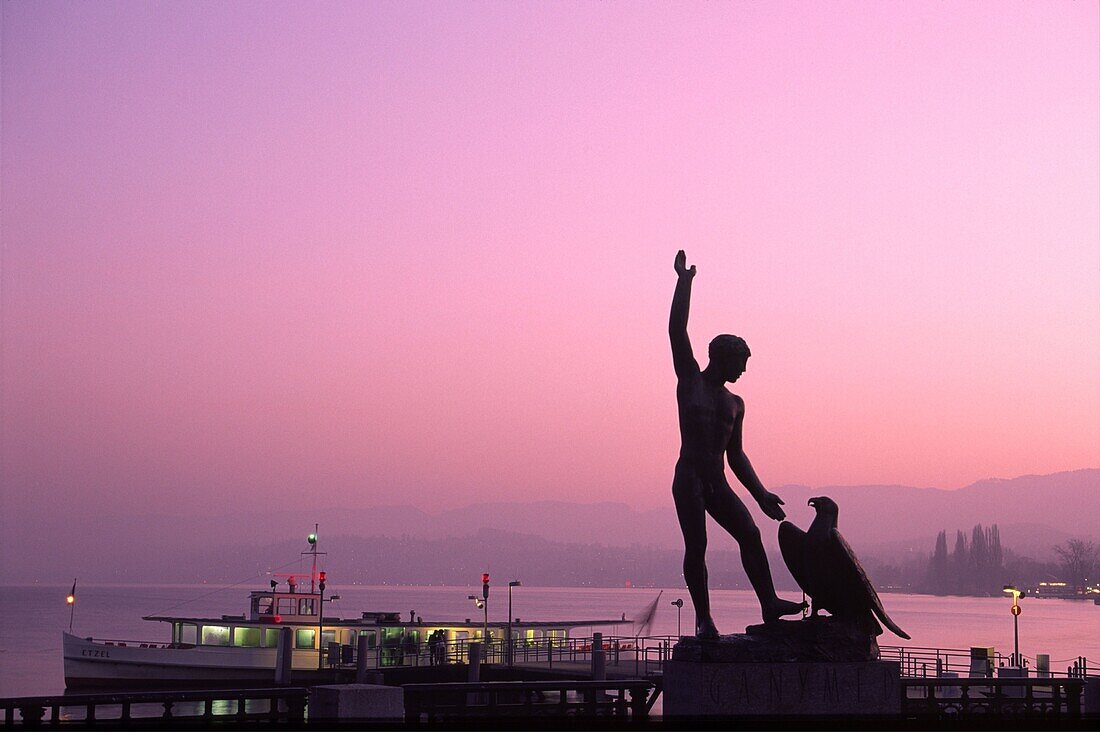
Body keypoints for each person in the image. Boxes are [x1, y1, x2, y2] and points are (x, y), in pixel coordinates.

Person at [669, 250, 805, 637]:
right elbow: (677, 332)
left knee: (750, 533)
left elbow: (737, 455)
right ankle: (703, 619)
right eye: (740, 362)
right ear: (722, 358)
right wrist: (684, 282)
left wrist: (761, 495)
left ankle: (769, 604)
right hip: (690, 477)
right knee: (698, 547)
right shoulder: (690, 381)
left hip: (718, 481)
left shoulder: (735, 404)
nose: (743, 370)